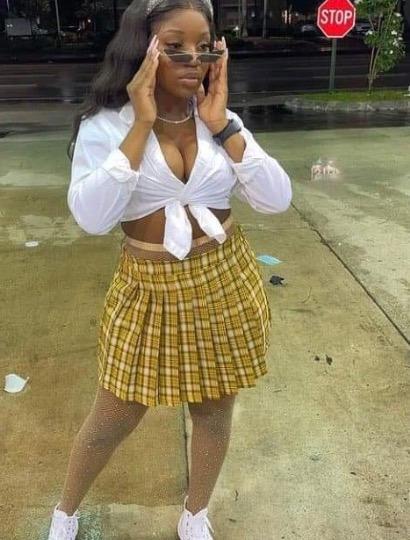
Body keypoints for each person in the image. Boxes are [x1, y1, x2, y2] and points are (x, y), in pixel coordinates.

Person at [47, 0, 292, 538]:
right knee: (113, 416)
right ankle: (65, 513)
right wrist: (140, 125)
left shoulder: (217, 117)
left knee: (213, 411)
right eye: (175, 46)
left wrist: (224, 126)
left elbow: (277, 199)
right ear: (143, 49)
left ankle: (195, 514)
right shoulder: (106, 125)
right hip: (148, 287)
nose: (193, 59)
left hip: (225, 279)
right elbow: (92, 218)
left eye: (203, 46)